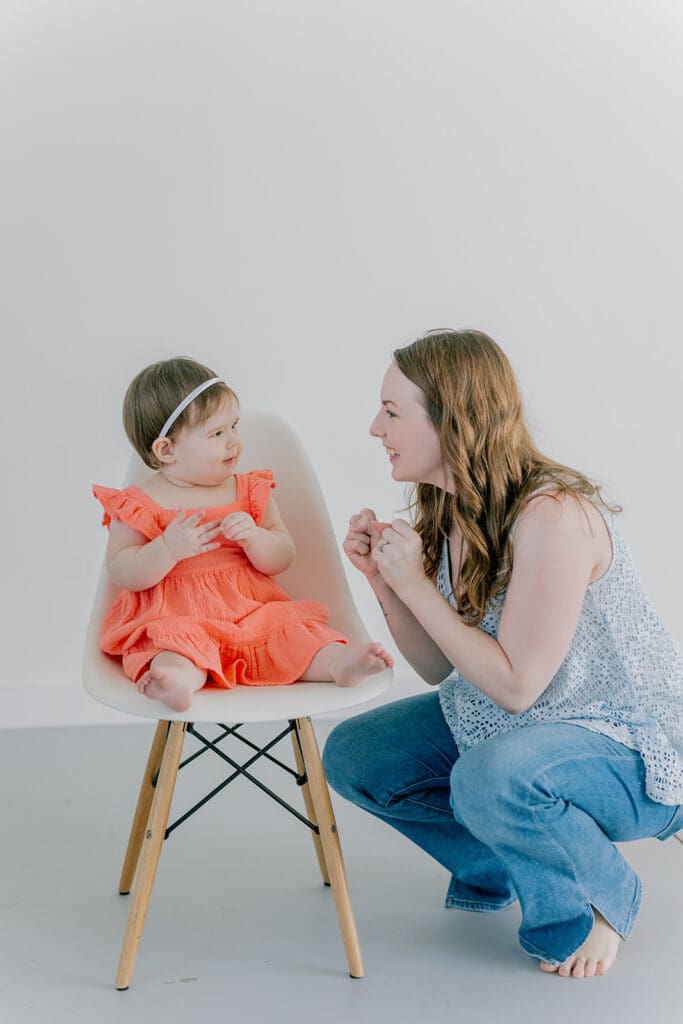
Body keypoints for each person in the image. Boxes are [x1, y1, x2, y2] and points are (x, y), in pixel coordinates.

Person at [323, 328, 683, 979]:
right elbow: (439, 668)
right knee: (356, 755)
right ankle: (497, 864)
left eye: (391, 411)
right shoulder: (449, 507)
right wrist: (385, 583)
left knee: (491, 776)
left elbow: (516, 687)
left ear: (450, 419)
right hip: (515, 727)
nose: (375, 427)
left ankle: (598, 897)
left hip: (626, 744)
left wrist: (410, 583)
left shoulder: (551, 516)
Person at [93, 357, 393, 712]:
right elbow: (123, 571)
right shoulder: (138, 504)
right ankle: (176, 683)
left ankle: (338, 663)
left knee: (291, 631)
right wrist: (167, 549)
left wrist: (255, 538)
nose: (234, 441)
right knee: (176, 648)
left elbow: (282, 555)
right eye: (217, 433)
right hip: (179, 616)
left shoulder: (249, 492)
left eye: (234, 426)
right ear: (167, 450)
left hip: (251, 612)